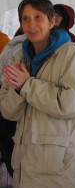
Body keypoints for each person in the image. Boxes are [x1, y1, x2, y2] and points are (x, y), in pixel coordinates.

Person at [0, 0, 75, 188]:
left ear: (52, 21)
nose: (31, 24)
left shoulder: (69, 55)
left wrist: (27, 86)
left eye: (38, 17)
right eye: (26, 19)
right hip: (26, 166)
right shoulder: (19, 57)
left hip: (58, 171)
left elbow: (72, 104)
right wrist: (17, 91)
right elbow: (8, 111)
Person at [0, 29, 26, 178]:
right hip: (8, 95)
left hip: (12, 96)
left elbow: (6, 71)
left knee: (8, 139)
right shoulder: (12, 42)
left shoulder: (5, 41)